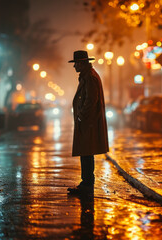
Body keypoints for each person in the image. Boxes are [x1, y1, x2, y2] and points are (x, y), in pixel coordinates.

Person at [67, 50, 109, 195]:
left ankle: (87, 185)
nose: (74, 67)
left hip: (88, 122)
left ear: (83, 63)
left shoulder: (90, 77)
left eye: (76, 63)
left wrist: (81, 116)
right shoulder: (87, 76)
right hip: (87, 121)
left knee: (86, 152)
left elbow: (91, 100)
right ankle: (86, 183)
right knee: (86, 153)